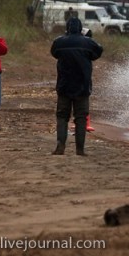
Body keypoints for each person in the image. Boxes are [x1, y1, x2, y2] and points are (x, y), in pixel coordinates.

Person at [51, 17, 103, 156]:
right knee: (81, 117)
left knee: (62, 116)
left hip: (64, 85)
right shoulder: (88, 42)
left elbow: (54, 53)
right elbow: (98, 52)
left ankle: (60, 146)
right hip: (82, 85)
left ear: (67, 28)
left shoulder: (59, 42)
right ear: (81, 28)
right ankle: (80, 150)